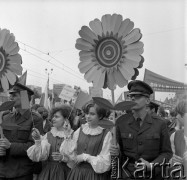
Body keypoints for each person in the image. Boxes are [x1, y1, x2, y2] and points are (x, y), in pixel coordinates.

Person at [110, 80, 172, 180]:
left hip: (153, 175)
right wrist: (116, 153)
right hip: (127, 175)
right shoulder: (120, 122)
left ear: (147, 101)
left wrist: (151, 165)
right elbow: (118, 155)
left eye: (138, 96)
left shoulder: (160, 123)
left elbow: (167, 153)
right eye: (131, 96)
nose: (133, 98)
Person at [0, 83, 43, 180]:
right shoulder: (5, 116)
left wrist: (10, 146)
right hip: (2, 171)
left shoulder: (35, 119)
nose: (10, 97)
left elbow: (35, 146)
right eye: (10, 95)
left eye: (14, 95)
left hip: (22, 173)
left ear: (24, 97)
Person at [67, 100, 112, 180]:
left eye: (92, 114)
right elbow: (71, 154)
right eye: (87, 113)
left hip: (94, 175)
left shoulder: (106, 134)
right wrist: (67, 137)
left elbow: (106, 162)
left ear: (100, 116)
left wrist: (86, 157)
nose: (88, 116)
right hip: (77, 174)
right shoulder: (79, 130)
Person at [27, 105, 74, 180]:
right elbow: (39, 157)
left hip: (65, 173)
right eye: (53, 116)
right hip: (48, 172)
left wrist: (63, 158)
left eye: (56, 117)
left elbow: (75, 158)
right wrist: (38, 140)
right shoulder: (48, 134)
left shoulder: (73, 135)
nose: (53, 119)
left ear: (66, 119)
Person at [169, 100, 187, 179]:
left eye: (178, 114)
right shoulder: (174, 135)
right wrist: (172, 161)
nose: (176, 117)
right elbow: (169, 160)